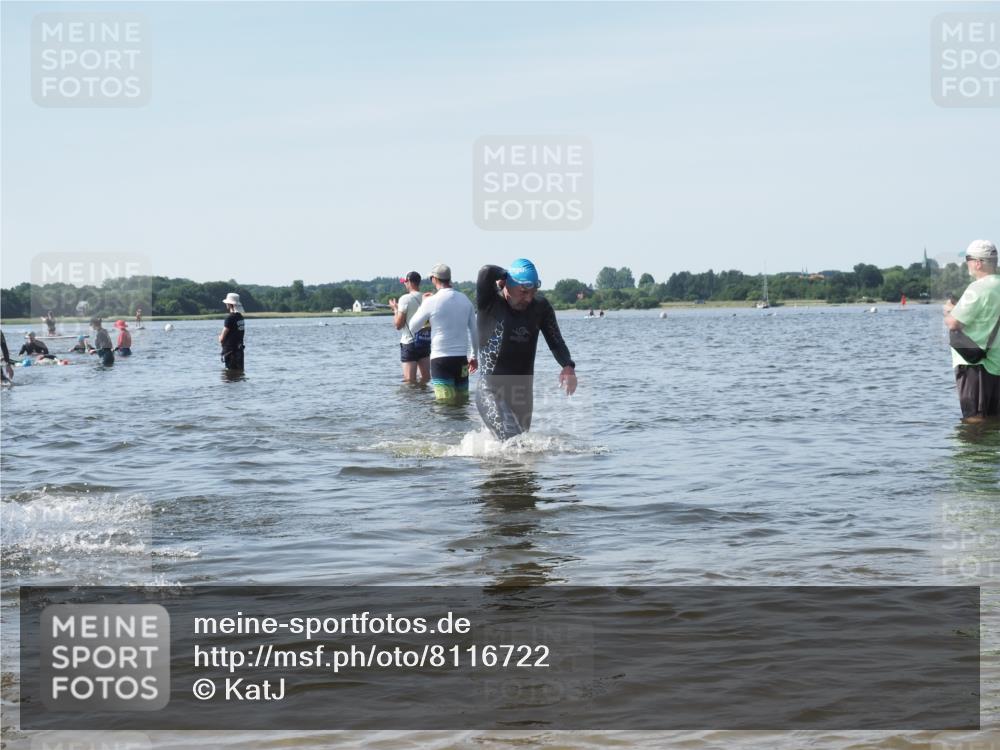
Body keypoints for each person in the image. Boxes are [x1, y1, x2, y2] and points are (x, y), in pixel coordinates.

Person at [475, 258, 577, 441]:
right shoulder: (490, 302)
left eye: (533, 292)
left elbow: (556, 341)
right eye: (523, 292)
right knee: (513, 443)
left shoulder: (541, 307)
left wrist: (567, 365)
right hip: (490, 388)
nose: (528, 298)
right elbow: (486, 271)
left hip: (522, 392)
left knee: (522, 446)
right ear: (508, 284)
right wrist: (506, 274)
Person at [944, 239, 1000, 422]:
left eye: (968, 259)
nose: (966, 263)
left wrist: (949, 310)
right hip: (997, 363)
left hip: (975, 364)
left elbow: (953, 323)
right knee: (994, 421)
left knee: (974, 420)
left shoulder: (978, 288)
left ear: (978, 263)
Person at [407, 264, 478, 402]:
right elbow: (474, 331)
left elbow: (413, 327)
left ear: (434, 279)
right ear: (449, 278)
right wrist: (474, 356)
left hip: (440, 360)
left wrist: (423, 304)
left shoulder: (431, 301)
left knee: (445, 404)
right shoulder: (465, 300)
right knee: (462, 402)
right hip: (461, 360)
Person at [388, 271, 431, 384]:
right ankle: (425, 395)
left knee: (409, 382)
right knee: (425, 379)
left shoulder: (405, 299)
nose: (404, 284)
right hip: (424, 341)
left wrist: (395, 310)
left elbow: (398, 325)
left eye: (405, 282)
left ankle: (412, 397)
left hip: (409, 343)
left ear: (410, 282)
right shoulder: (427, 298)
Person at [219, 292, 246, 372]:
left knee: (230, 375)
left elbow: (221, 339)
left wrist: (219, 337)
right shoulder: (240, 317)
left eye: (227, 303)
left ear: (230, 304)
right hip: (239, 351)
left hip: (230, 352)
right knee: (240, 373)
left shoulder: (229, 318)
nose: (226, 304)